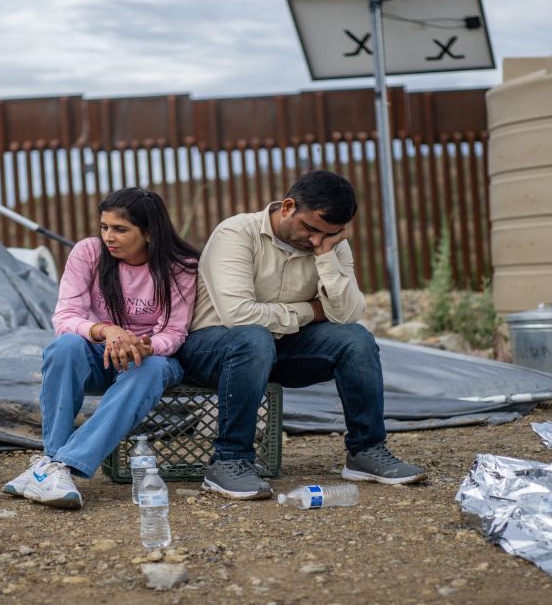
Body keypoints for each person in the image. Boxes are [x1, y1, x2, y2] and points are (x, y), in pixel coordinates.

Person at [176, 170, 425, 500]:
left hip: (278, 349)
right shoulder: (236, 233)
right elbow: (239, 315)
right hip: (212, 348)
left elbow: (348, 313)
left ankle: (366, 451)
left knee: (356, 339)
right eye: (309, 228)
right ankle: (229, 461)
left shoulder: (329, 245)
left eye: (328, 234)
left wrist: (326, 257)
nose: (314, 239)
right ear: (288, 206)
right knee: (253, 338)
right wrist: (312, 310)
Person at [3, 187, 198, 509]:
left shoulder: (180, 266)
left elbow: (175, 331)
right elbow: (65, 316)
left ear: (149, 233)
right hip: (97, 356)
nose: (109, 237)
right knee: (64, 347)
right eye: (105, 227)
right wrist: (107, 330)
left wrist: (143, 347)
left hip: (149, 362)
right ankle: (53, 461)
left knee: (151, 367)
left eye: (120, 229)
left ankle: (56, 465)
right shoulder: (89, 253)